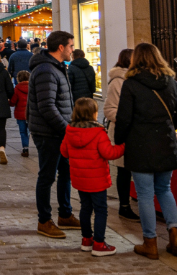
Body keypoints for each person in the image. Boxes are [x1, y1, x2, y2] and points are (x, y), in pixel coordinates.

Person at [115, 43, 177, 260]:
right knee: (164, 189)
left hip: (140, 145)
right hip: (165, 142)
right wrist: (168, 127)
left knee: (145, 194)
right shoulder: (171, 82)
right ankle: (175, 235)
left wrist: (120, 140)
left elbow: (123, 118)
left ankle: (150, 242)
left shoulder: (131, 84)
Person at [27, 30, 81, 239]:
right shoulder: (46, 70)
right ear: (61, 47)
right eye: (71, 46)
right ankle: (44, 220)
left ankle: (65, 214)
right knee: (47, 176)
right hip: (48, 133)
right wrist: (67, 129)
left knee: (65, 173)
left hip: (60, 132)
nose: (72, 50)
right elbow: (47, 106)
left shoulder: (57, 67)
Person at [60, 98, 125, 257]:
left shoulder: (70, 130)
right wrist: (123, 146)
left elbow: (64, 152)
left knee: (85, 208)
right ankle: (99, 243)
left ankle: (86, 240)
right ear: (94, 114)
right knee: (101, 210)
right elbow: (109, 153)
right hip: (97, 180)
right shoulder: (98, 132)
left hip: (80, 179)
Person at [102, 49, 139, 222]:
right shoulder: (117, 81)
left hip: (137, 132)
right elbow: (109, 109)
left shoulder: (137, 79)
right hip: (123, 132)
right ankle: (124, 206)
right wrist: (128, 118)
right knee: (124, 171)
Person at [10, 70, 31, 157]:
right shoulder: (33, 88)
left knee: (23, 132)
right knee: (30, 131)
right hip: (31, 114)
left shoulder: (17, 89)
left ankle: (25, 148)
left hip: (20, 114)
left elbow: (12, 102)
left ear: (18, 79)